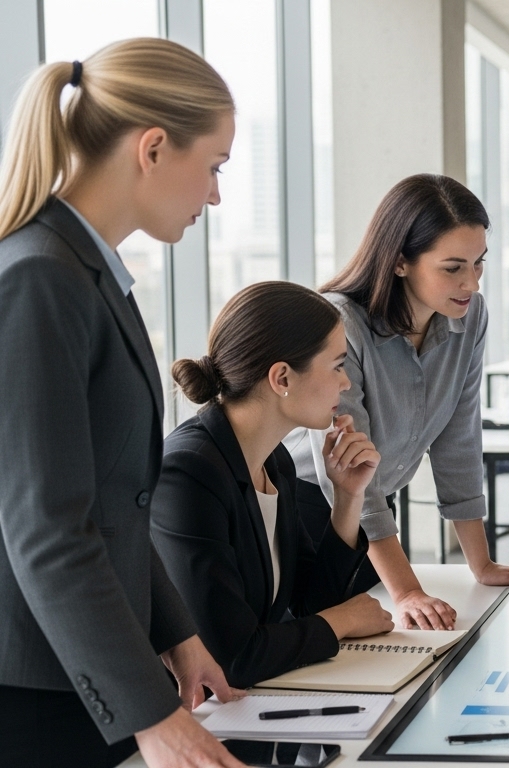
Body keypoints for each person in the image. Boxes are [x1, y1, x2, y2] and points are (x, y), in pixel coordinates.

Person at [0, 39, 244, 767]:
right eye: (215, 167)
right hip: (39, 690)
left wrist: (179, 635)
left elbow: (120, 503)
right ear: (155, 148)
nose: (215, 195)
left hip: (82, 673)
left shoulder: (92, 274)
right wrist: (151, 713)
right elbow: (49, 529)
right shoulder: (40, 279)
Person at [286, 174, 509, 631]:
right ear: (399, 263)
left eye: (479, 264)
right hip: (307, 505)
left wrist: (483, 564)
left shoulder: (469, 316)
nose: (471, 283)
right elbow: (348, 471)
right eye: (452, 267)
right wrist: (407, 590)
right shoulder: (339, 323)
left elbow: (458, 439)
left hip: (368, 505)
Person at [151, 282, 394, 689]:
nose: (346, 384)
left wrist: (348, 497)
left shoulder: (273, 460)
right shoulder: (188, 474)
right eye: (337, 366)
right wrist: (344, 620)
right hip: (185, 718)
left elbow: (309, 603)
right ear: (282, 377)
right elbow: (232, 657)